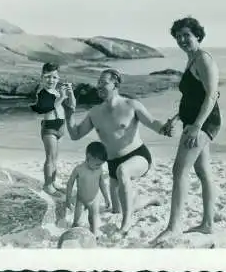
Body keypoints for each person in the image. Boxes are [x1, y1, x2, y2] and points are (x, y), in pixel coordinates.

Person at [64, 69, 174, 233]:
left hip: (138, 155)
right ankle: (149, 199)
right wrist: (69, 113)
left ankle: (126, 223)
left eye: (103, 82)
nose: (99, 86)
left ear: (115, 84)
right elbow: (75, 135)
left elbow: (152, 122)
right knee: (118, 209)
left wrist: (164, 129)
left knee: (124, 171)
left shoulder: (131, 105)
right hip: (113, 164)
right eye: (98, 83)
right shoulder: (95, 112)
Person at [152, 17, 222, 244]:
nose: (182, 39)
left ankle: (173, 227)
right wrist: (177, 117)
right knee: (202, 171)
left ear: (197, 36)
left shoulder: (203, 59)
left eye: (187, 35)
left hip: (203, 123)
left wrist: (197, 127)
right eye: (179, 36)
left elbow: (212, 96)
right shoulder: (192, 59)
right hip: (192, 121)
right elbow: (193, 96)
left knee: (179, 171)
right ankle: (208, 224)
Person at [30, 63, 75, 195]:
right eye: (47, 77)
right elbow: (48, 107)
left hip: (60, 127)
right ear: (42, 78)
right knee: (50, 157)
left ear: (59, 78)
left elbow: (72, 106)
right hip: (49, 128)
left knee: (55, 158)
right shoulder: (42, 92)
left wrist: (70, 93)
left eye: (54, 77)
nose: (51, 80)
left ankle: (53, 181)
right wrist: (61, 97)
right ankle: (47, 185)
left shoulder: (57, 92)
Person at [65, 141, 111, 237]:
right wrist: (68, 199)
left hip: (93, 200)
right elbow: (70, 184)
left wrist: (106, 197)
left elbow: (102, 184)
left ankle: (93, 235)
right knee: (76, 220)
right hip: (81, 200)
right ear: (88, 157)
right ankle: (73, 232)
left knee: (92, 220)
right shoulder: (79, 169)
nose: (99, 166)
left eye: (101, 164)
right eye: (97, 164)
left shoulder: (99, 169)